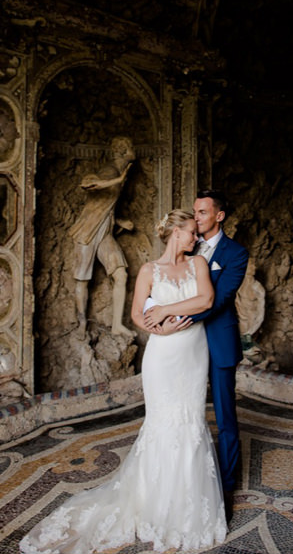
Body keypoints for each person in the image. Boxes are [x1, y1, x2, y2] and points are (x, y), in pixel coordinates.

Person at [20, 210, 226, 553]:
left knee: (190, 421)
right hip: (162, 355)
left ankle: (187, 507)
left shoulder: (199, 264)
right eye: (191, 232)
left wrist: (162, 309)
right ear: (176, 232)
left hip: (193, 353)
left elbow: (206, 300)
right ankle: (155, 504)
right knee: (162, 422)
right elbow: (135, 314)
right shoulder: (149, 270)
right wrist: (155, 323)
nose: (196, 238)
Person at [152, 189, 249, 517]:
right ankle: (182, 480)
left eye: (203, 212)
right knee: (184, 414)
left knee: (225, 417)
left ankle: (226, 485)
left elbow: (218, 299)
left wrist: (177, 316)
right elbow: (161, 284)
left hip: (217, 341)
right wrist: (159, 316)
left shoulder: (236, 253)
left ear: (219, 215)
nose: (197, 218)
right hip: (183, 346)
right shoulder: (184, 247)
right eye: (195, 213)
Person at [69, 135, 136, 341]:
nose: (135, 151)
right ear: (123, 151)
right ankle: (81, 323)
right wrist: (117, 180)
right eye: (131, 147)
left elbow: (104, 207)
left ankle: (117, 325)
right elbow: (87, 183)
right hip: (87, 232)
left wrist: (120, 222)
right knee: (82, 280)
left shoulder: (118, 175)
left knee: (121, 275)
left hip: (105, 232)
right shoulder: (110, 171)